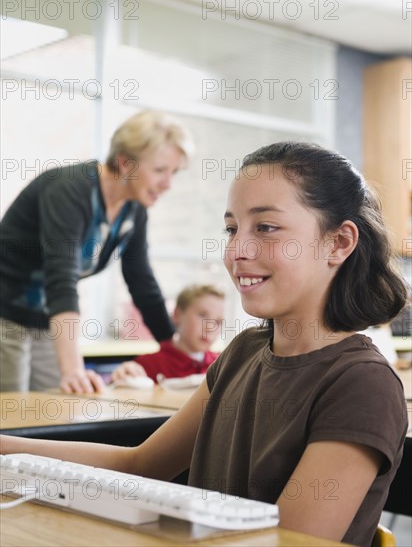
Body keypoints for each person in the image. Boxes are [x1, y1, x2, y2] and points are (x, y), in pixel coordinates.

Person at [0, 142, 409, 547]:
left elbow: (286, 543)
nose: (236, 251)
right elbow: (140, 464)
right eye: (232, 229)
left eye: (265, 227)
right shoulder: (243, 352)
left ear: (338, 243)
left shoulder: (362, 386)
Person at [0, 110, 194, 394]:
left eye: (174, 172)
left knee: (58, 408)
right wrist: (73, 369)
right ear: (126, 163)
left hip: (44, 320)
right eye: (160, 170)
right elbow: (61, 278)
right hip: (4, 312)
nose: (169, 184)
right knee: (10, 413)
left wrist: (176, 348)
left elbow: (141, 281)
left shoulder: (134, 209)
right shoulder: (70, 189)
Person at [111, 284, 225, 383]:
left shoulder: (224, 365)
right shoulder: (148, 365)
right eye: (202, 315)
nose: (210, 328)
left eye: (218, 322)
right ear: (177, 315)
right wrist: (123, 375)